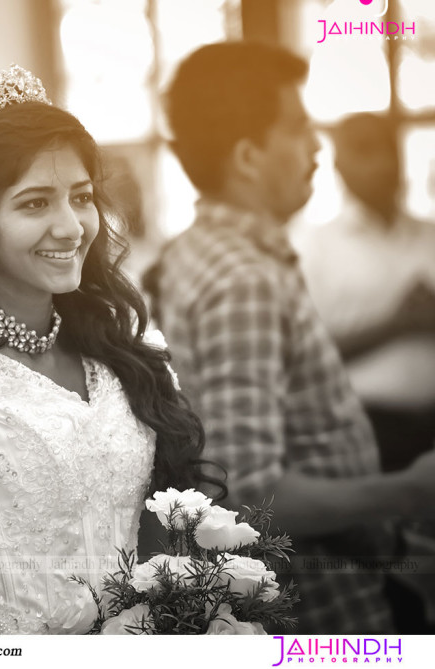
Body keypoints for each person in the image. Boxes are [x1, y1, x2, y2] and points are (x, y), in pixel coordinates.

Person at [0, 66, 218, 634]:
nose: (71, 227)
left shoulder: (124, 356)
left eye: (81, 198)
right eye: (35, 204)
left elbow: (164, 552)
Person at [144, 41, 435, 634]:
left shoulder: (202, 252)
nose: (316, 147)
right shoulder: (244, 279)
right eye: (299, 127)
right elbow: (251, 497)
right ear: (249, 156)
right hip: (319, 605)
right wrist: (405, 491)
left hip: (340, 566)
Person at [296, 112, 435, 630]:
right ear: (340, 164)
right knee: (394, 569)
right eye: (364, 148)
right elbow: (306, 355)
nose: (382, 159)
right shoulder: (314, 247)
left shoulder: (430, 234)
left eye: (387, 145)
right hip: (371, 431)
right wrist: (396, 322)